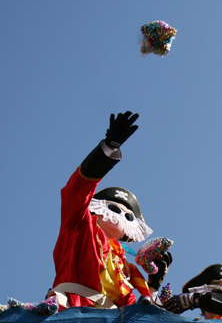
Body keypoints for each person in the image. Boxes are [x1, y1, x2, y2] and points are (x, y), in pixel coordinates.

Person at [47, 111, 169, 310]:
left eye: (128, 216)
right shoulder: (79, 226)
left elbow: (137, 311)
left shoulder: (124, 267)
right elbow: (77, 190)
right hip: (72, 309)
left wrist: (153, 285)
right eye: (113, 208)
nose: (120, 216)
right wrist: (109, 147)